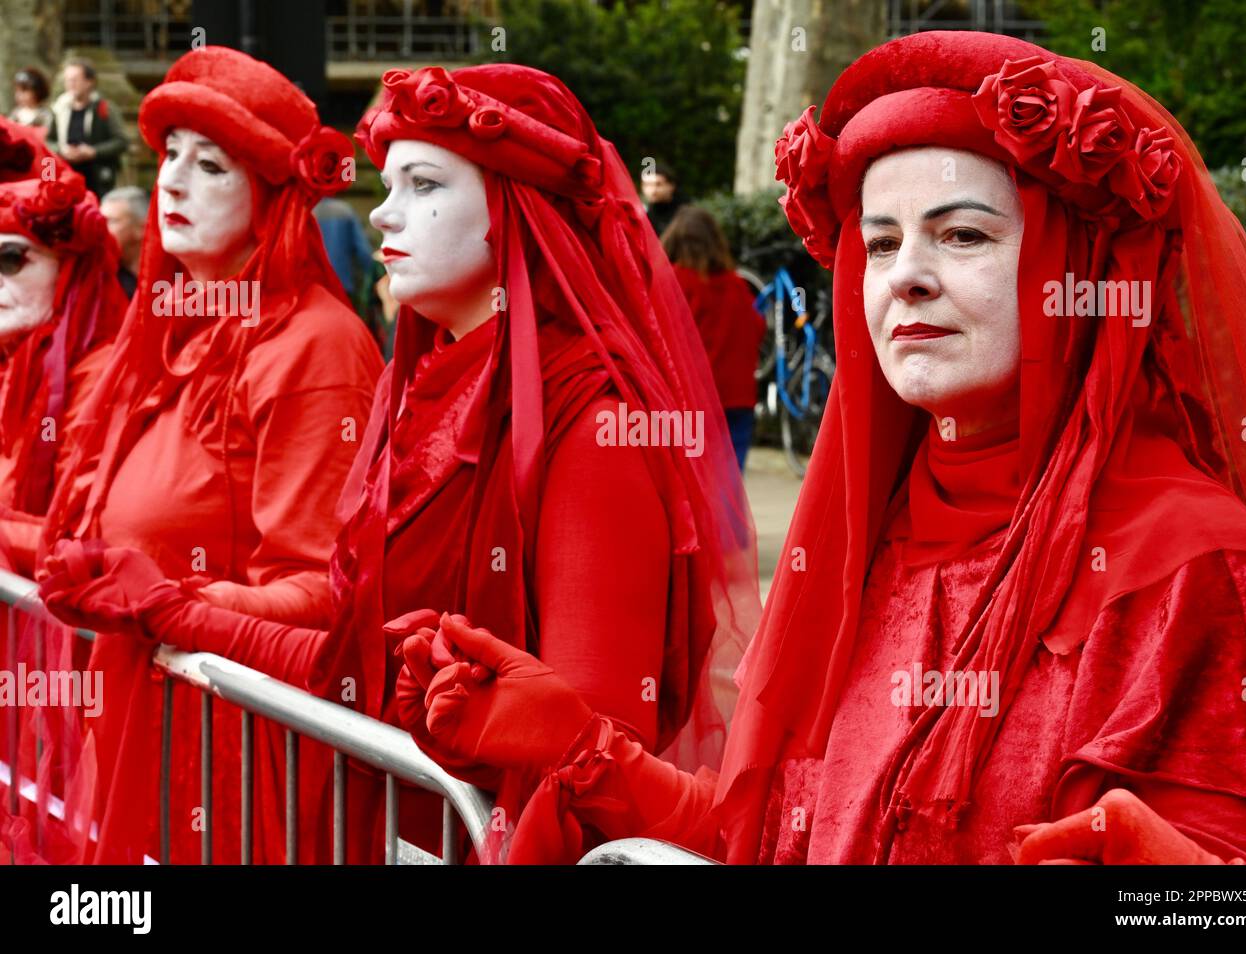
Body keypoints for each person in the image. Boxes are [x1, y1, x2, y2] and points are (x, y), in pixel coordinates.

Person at [393, 31, 1246, 864]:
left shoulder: (1196, 569)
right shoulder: (877, 533)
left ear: (1074, 270)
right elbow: (782, 835)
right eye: (880, 241)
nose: (903, 274)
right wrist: (579, 745)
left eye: (964, 234)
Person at [37, 63, 759, 864]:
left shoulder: (593, 425)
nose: (383, 210)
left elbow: (588, 757)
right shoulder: (414, 389)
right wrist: (176, 608)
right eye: (389, 182)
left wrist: (179, 607)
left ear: (512, 209)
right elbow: (356, 661)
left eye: (423, 184)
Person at [36, 47, 384, 864]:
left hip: (240, 767)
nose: (174, 182)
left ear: (270, 196)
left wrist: (169, 604)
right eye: (170, 159)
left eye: (213, 164)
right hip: (149, 739)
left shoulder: (315, 348)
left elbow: (328, 597)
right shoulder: (175, 329)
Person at [0, 121, 126, 864]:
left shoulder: (102, 369)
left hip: (85, 674)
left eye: (14, 260)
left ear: (69, 266)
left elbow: (74, 542)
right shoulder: (21, 359)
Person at [662, 206, 766, 469]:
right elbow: (756, 328)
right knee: (728, 489)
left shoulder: (672, 282)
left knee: (690, 486)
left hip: (692, 399)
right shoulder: (736, 285)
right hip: (738, 398)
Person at [46, 59, 128, 199]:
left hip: (97, 178)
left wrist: (93, 152)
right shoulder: (59, 109)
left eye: (75, 80)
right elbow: (48, 141)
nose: (70, 85)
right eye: (68, 80)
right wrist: (61, 150)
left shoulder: (105, 108)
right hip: (66, 175)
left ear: (89, 82)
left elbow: (121, 141)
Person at [100, 185, 148, 298]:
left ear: (141, 228)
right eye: (100, 220)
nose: (101, 227)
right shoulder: (100, 280)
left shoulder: (170, 280)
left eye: (111, 221)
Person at [640, 160, 685, 235]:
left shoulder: (683, 215)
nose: (653, 190)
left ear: (671, 186)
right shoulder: (644, 215)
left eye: (658, 184)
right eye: (647, 185)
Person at [9, 67, 54, 132]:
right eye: (17, 90)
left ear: (37, 91)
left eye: (24, 90)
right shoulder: (15, 113)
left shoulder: (45, 115)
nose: (19, 95)